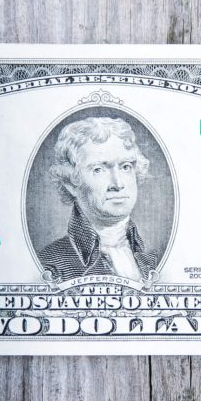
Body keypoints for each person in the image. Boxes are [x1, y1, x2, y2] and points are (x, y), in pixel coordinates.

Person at [38, 117, 159, 282]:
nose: (118, 184)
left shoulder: (153, 260)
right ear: (70, 182)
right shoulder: (50, 264)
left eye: (125, 167)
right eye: (99, 169)